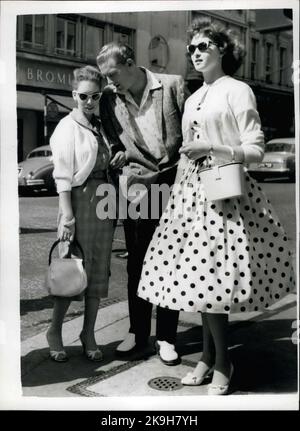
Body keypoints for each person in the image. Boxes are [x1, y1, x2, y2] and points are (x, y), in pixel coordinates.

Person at [137, 18, 295, 394]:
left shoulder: (237, 91)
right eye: (191, 48)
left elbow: (255, 149)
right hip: (191, 197)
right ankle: (209, 357)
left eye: (204, 46)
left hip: (226, 195)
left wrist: (213, 148)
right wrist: (173, 194)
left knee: (216, 282)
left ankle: (223, 360)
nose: (195, 53)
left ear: (223, 49)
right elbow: (188, 152)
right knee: (202, 282)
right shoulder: (192, 98)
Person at [97, 42, 187, 365]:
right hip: (137, 186)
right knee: (137, 260)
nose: (110, 82)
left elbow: (190, 133)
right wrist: (116, 153)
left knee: (170, 261)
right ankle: (138, 332)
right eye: (106, 77)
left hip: (173, 181)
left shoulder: (173, 85)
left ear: (131, 63)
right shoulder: (109, 99)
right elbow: (111, 137)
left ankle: (166, 337)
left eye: (113, 74)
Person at [47, 65, 125, 362]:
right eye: (83, 96)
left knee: (97, 272)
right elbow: (63, 177)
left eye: (95, 96)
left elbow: (102, 160)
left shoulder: (101, 125)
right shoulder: (66, 128)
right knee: (71, 270)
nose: (89, 101)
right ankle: (54, 332)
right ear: (74, 95)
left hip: (103, 202)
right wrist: (67, 217)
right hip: (79, 203)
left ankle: (88, 333)